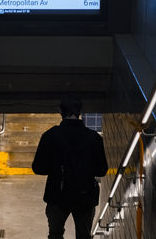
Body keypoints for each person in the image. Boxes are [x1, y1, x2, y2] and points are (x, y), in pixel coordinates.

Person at [32, 96, 108, 239]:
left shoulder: (50, 136)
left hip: (57, 195)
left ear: (60, 111)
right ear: (80, 112)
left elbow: (38, 168)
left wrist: (56, 167)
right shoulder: (94, 138)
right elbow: (102, 170)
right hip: (85, 195)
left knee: (55, 234)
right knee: (84, 235)